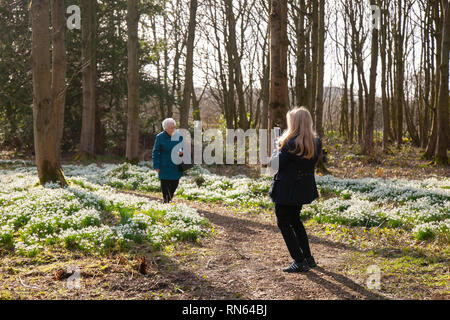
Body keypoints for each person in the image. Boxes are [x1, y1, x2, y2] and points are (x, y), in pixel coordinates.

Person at [269, 106, 322, 273]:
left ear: (295, 123)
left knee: (284, 223)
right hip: (301, 190)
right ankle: (308, 258)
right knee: (295, 221)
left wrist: (276, 148)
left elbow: (274, 165)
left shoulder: (290, 143)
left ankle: (299, 261)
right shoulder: (315, 142)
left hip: (286, 191)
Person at [152, 118, 184, 203]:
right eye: (171, 128)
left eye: (174, 127)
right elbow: (155, 152)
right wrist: (156, 165)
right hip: (164, 166)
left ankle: (168, 200)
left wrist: (181, 152)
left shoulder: (179, 136)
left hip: (176, 166)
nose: (173, 129)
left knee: (174, 184)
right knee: (165, 186)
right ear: (165, 128)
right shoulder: (160, 137)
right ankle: (166, 201)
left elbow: (182, 148)